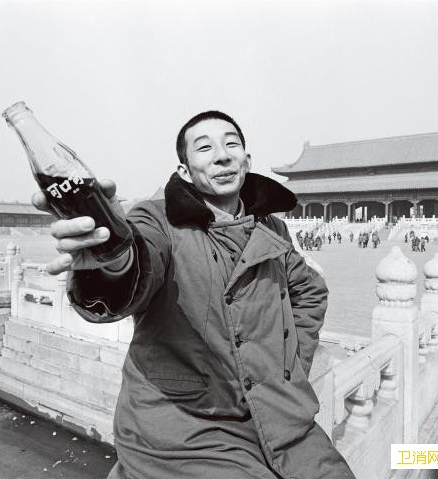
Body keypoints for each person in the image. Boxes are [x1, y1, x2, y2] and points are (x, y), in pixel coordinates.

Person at [34, 111, 354, 479]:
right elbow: (139, 260)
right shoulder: (158, 220)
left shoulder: (272, 227)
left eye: (231, 144)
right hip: (185, 426)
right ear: (184, 171)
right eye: (204, 148)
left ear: (247, 160)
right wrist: (113, 260)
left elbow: (309, 291)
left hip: (282, 418)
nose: (222, 155)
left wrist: (288, 366)